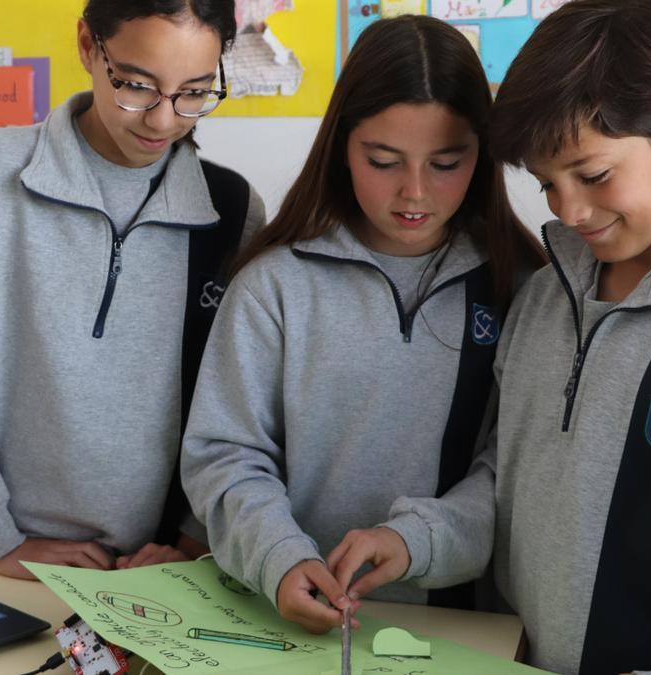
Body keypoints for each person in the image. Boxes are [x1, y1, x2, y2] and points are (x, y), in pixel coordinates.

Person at [327, 1, 651, 672]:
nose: (568, 210)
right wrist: (416, 539)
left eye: (594, 175)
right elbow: (506, 481)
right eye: (546, 183)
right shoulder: (545, 298)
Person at [180, 14, 545, 634]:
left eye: (447, 162)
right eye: (383, 160)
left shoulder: (523, 289)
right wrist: (278, 557)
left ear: (483, 157)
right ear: (343, 147)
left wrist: (418, 541)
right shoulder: (275, 284)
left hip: (461, 630)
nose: (414, 193)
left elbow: (513, 471)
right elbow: (224, 456)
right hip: (284, 620)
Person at [0, 0, 266, 580]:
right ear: (86, 46)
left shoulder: (231, 210)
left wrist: (193, 540)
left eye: (194, 92)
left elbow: (237, 408)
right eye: (137, 85)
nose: (163, 121)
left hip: (157, 569)